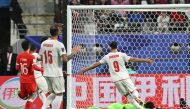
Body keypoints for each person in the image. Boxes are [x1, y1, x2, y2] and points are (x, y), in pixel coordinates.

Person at [79, 41, 154, 109]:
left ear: (109, 47)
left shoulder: (107, 56)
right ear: (117, 47)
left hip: (116, 80)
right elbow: (133, 59)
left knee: (127, 96)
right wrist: (146, 60)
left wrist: (85, 69)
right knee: (134, 91)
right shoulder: (121, 55)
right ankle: (136, 97)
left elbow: (96, 64)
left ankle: (139, 107)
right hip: (125, 77)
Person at [40, 25, 81, 109]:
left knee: (53, 93)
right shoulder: (59, 44)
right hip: (56, 74)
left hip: (46, 73)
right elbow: (65, 59)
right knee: (59, 94)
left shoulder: (43, 43)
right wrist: (74, 52)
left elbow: (41, 57)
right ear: (58, 32)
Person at [16, 40, 44, 109]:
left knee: (26, 95)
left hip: (22, 79)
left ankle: (21, 94)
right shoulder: (31, 56)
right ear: (29, 47)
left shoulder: (19, 56)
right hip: (30, 79)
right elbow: (34, 67)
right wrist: (42, 69)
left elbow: (17, 68)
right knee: (32, 95)